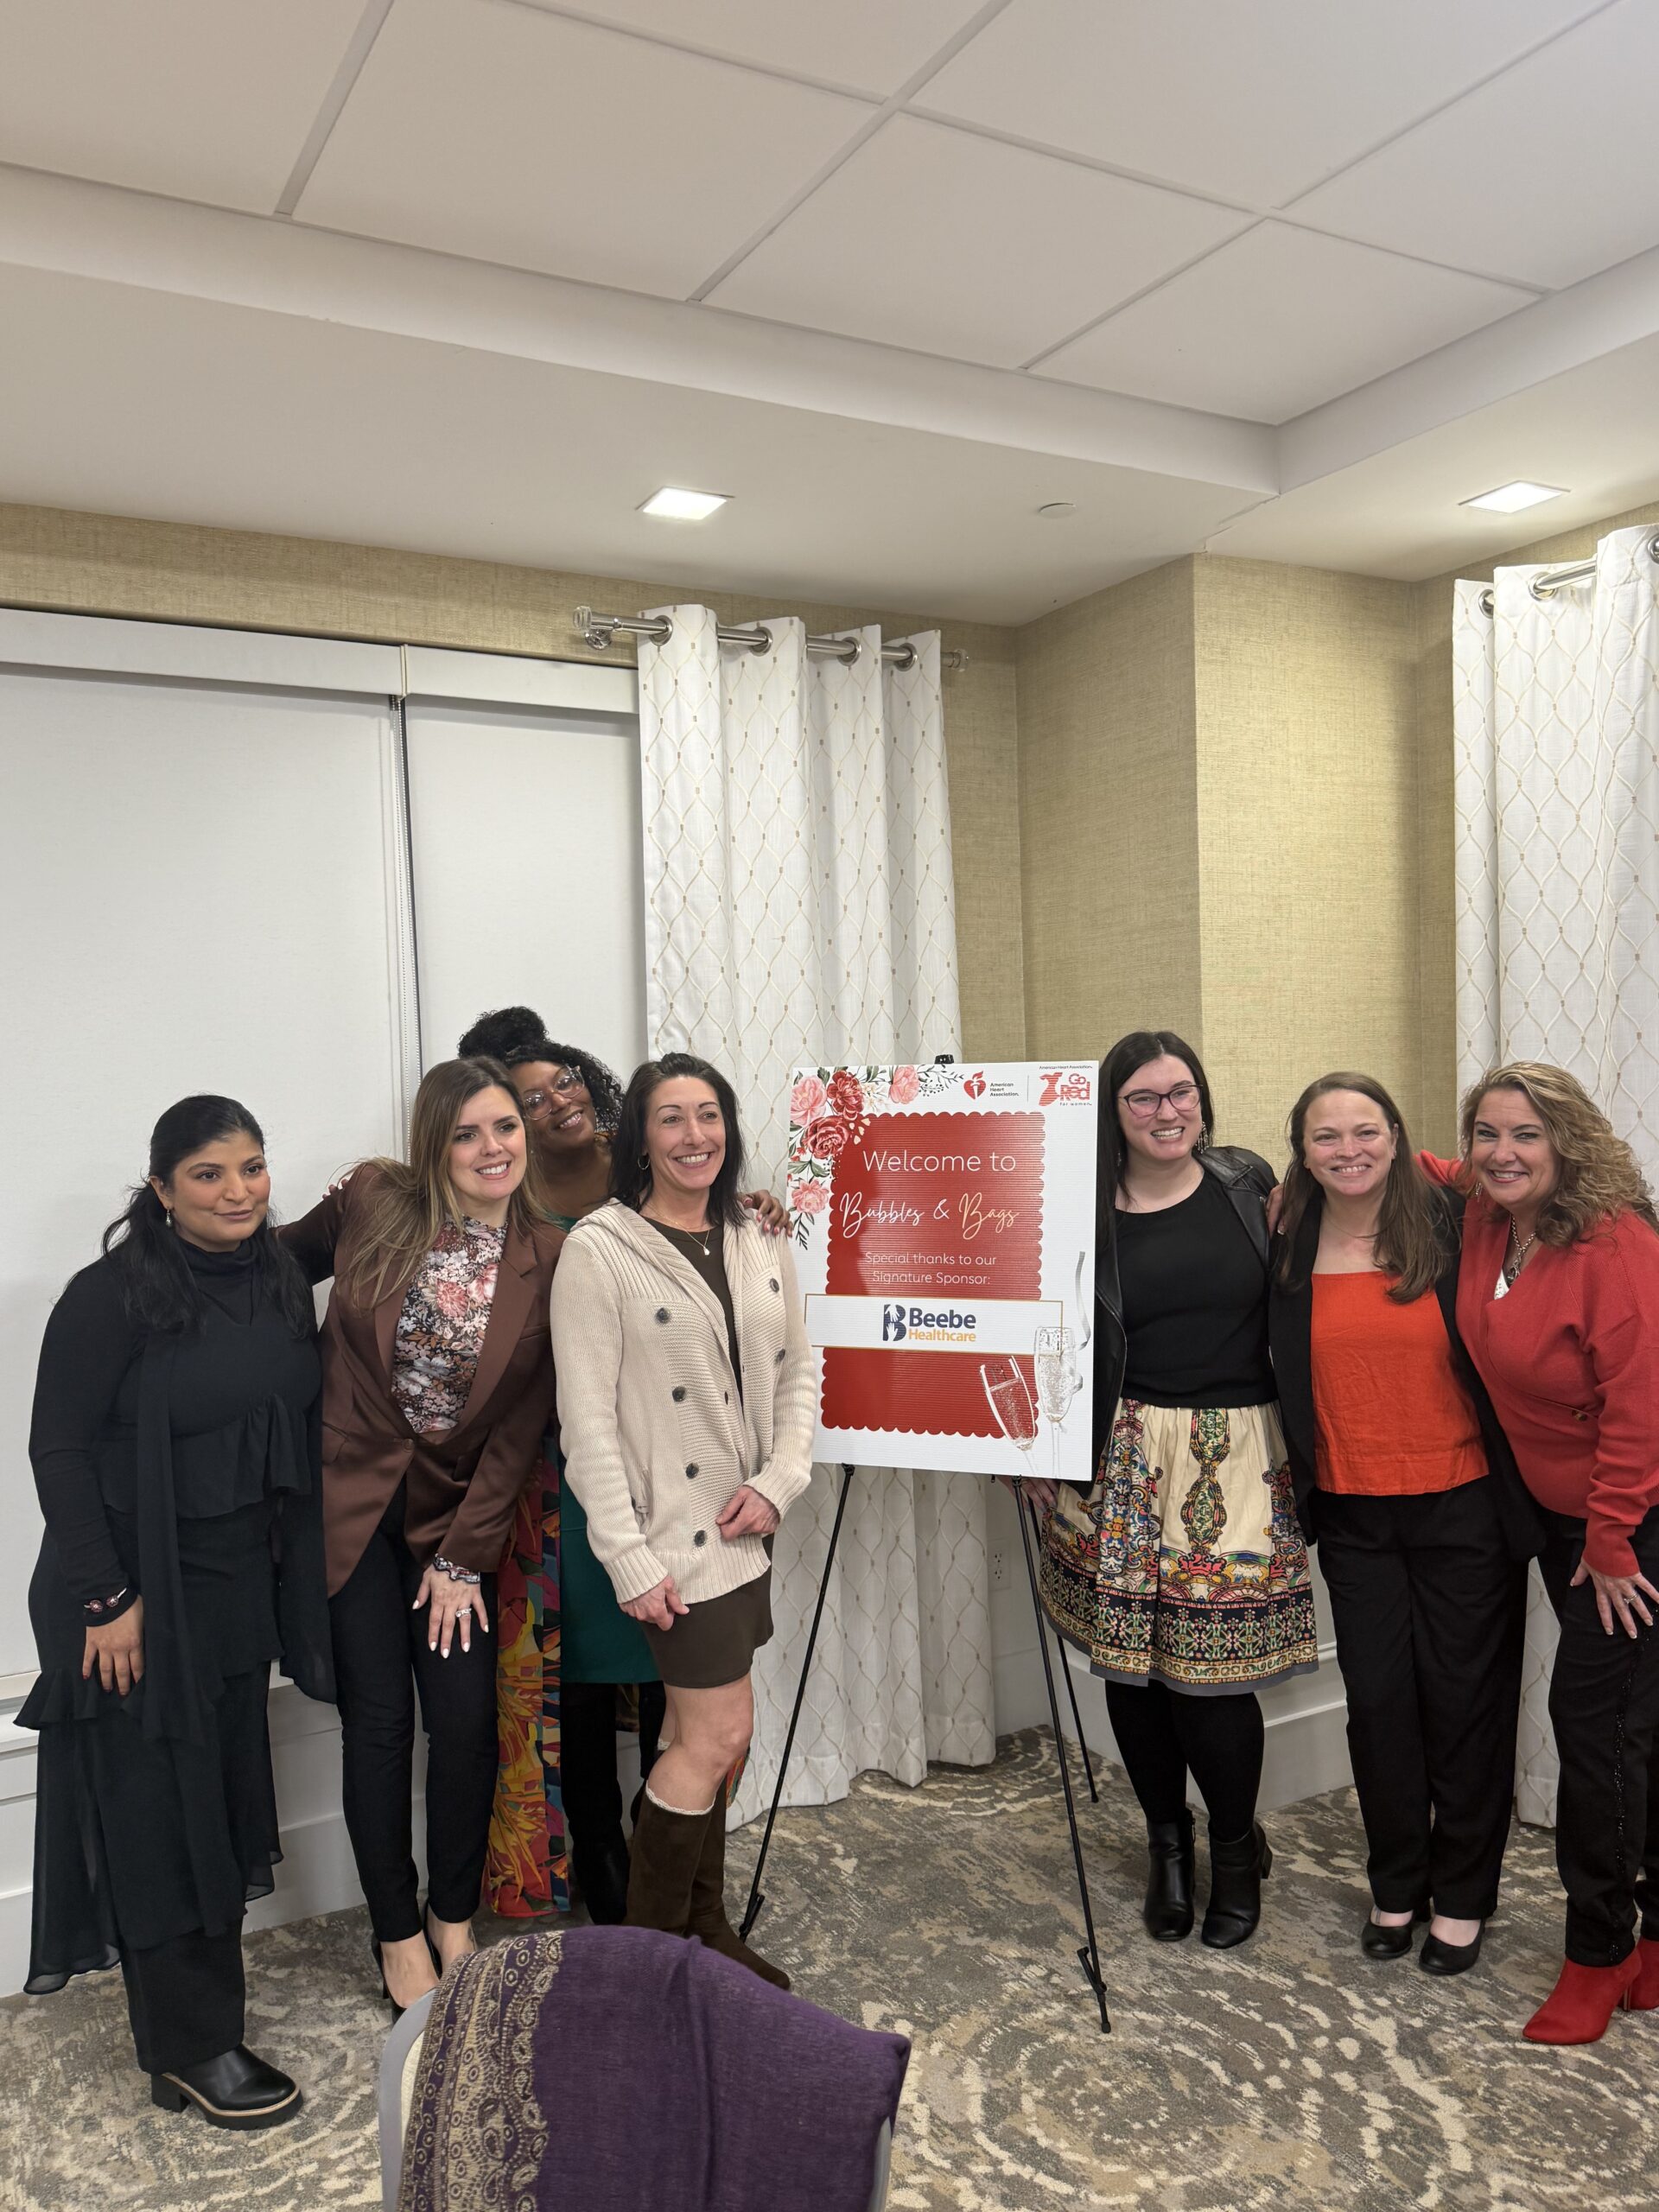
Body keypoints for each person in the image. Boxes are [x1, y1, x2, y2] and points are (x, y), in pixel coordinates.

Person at [21, 1096, 332, 2128]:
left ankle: (188, 2037)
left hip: (230, 1587)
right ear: (159, 1187)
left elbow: (390, 1199)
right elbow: (56, 1450)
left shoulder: (278, 1274)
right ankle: (196, 2048)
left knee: (220, 1803)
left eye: (252, 1167)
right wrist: (107, 1600)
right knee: (161, 1819)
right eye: (208, 1174)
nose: (237, 1190)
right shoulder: (109, 1296)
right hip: (126, 1596)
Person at [458, 1007, 788, 1928]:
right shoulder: (509, 1202)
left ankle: (681, 1898)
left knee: (687, 1703)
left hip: (686, 1485)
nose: (554, 1101)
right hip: (571, 1482)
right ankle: (607, 1869)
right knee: (590, 1686)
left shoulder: (661, 1175)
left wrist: (756, 1207)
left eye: (565, 1080)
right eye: (528, 1099)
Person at [282, 1057, 563, 2014]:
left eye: (506, 1128)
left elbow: (521, 1425)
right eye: (468, 1132)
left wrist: (462, 1559)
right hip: (348, 1507)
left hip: (453, 1524)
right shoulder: (371, 1198)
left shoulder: (547, 1255)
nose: (493, 1149)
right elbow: (269, 1265)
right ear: (434, 1141)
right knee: (380, 1725)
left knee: (468, 1723)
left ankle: (452, 1916)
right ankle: (397, 1934)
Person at [1036, 1031, 1317, 1949]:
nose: (1169, 1112)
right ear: (1113, 1113)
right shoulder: (1079, 1210)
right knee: (1133, 1671)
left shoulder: (1248, 1184)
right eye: (1145, 1098)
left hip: (1238, 1455)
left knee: (1211, 1680)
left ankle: (1236, 1852)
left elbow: (1369, 1192)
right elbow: (1041, 1331)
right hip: (1118, 1456)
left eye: (1182, 1091)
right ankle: (1169, 1844)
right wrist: (1033, 1449)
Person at [550, 1052, 813, 1988]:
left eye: (709, 1115)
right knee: (710, 1738)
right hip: (671, 1540)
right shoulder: (601, 1247)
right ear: (639, 1138)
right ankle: (649, 1969)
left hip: (747, 1529)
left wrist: (783, 1478)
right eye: (672, 1118)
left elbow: (795, 1373)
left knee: (711, 1738)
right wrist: (626, 1556)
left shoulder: (755, 1230)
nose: (694, 1134)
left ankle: (699, 1927)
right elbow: (586, 1427)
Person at [1268, 1073, 1540, 1976]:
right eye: (1325, 1136)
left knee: (1466, 1703)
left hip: (1464, 1502)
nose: (1348, 1149)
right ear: (1301, 1150)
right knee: (1380, 1707)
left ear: (1397, 1133)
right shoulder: (1284, 1236)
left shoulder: (1457, 1221)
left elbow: (1516, 1177)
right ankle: (1398, 1882)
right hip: (1352, 1512)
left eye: (1365, 1130)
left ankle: (1463, 1896)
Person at [1422, 1062, 1659, 2043]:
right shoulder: (1487, 1211)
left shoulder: (1616, 1242)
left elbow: (1644, 1408)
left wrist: (1609, 1539)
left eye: (1526, 1135)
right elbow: (1428, 1166)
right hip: (1563, 1516)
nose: (1502, 1153)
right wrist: (1316, 1173)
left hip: (1631, 1523)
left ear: (1568, 1142)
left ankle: (1597, 1954)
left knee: (1594, 1727)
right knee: (1637, 1727)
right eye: (1488, 1133)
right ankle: (1651, 1945)